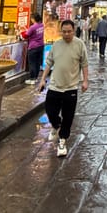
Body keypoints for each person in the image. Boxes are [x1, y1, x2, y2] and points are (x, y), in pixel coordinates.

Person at [38, 19, 88, 158]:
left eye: (69, 32)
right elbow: (49, 63)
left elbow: (84, 64)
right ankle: (56, 125)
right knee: (50, 110)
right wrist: (43, 80)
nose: (66, 34)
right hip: (55, 85)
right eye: (64, 32)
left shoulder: (79, 44)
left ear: (74, 31)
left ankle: (62, 141)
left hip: (71, 87)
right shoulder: (56, 44)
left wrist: (85, 81)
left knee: (68, 116)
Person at [20, 12, 44, 85]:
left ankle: (32, 79)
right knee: (37, 63)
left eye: (31, 18)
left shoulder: (33, 27)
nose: (31, 20)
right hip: (41, 46)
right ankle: (36, 78)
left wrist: (21, 32)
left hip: (33, 47)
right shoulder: (42, 25)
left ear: (33, 19)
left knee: (32, 63)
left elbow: (26, 36)